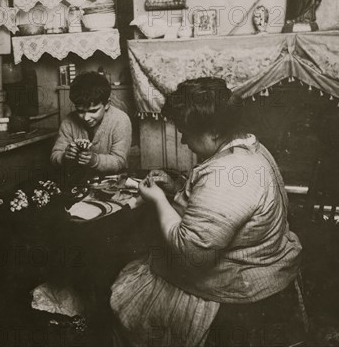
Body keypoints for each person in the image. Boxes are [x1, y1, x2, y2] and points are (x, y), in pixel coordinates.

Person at [110, 77, 304, 347]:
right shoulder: (248, 147)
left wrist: (158, 201)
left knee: (128, 280)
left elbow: (191, 251)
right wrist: (175, 187)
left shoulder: (229, 174)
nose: (182, 140)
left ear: (213, 131)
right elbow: (215, 205)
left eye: (186, 132)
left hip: (242, 279)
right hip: (263, 256)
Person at [50, 72, 132, 177]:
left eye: (93, 111)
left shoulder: (121, 120)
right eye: (80, 111)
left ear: (107, 104)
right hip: (78, 180)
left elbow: (120, 161)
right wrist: (63, 156)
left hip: (113, 181)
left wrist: (94, 160)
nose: (86, 118)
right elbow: (54, 157)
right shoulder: (69, 121)